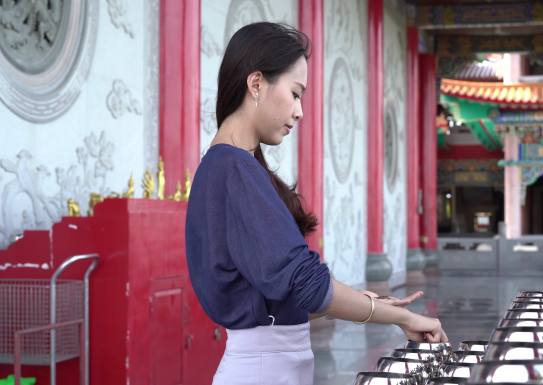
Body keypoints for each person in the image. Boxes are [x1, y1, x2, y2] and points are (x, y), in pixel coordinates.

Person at [185, 22, 447, 385]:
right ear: (256, 84)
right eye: (295, 93)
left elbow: (280, 297)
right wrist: (404, 318)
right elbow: (303, 281)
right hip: (261, 371)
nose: (299, 111)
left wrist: (360, 301)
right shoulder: (233, 169)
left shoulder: (230, 167)